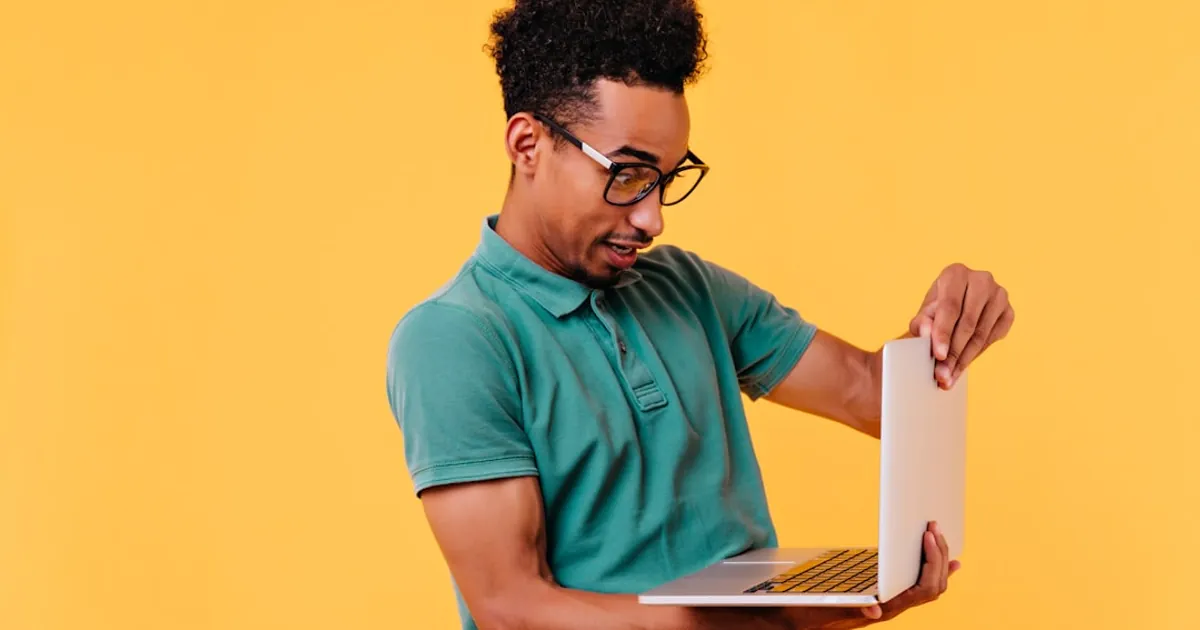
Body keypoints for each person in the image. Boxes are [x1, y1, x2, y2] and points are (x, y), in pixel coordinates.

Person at [385, 1, 1015, 628]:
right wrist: (755, 622)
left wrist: (947, 325)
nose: (652, 218)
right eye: (628, 175)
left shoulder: (686, 285)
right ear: (528, 145)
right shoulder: (455, 338)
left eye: (666, 178)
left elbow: (873, 396)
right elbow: (513, 609)